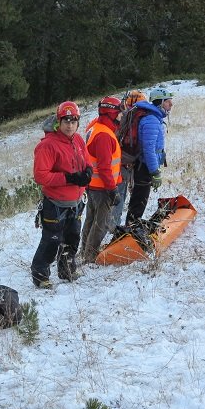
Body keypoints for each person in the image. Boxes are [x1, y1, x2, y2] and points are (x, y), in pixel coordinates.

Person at [30, 101, 91, 288]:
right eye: (66, 120)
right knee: (51, 241)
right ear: (59, 121)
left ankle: (66, 270)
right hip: (55, 204)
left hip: (76, 202)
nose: (70, 125)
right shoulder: (48, 145)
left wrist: (88, 171)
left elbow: (87, 161)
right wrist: (69, 178)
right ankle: (40, 275)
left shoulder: (78, 140)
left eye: (74, 121)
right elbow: (41, 176)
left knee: (72, 239)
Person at [124, 88, 173, 241]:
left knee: (139, 200)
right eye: (168, 101)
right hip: (144, 167)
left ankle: (131, 229)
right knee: (139, 201)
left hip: (144, 166)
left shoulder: (154, 117)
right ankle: (129, 234)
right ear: (160, 102)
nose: (171, 104)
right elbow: (149, 150)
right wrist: (155, 172)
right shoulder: (151, 120)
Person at [79, 96, 123, 263]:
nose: (121, 115)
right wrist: (112, 189)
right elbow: (105, 167)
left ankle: (84, 252)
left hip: (93, 186)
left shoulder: (95, 127)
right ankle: (90, 256)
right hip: (103, 187)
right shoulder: (104, 135)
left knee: (90, 220)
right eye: (119, 112)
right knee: (101, 223)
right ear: (111, 113)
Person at [111, 90, 147, 229]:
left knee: (118, 197)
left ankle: (113, 226)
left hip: (120, 163)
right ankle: (113, 227)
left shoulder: (126, 118)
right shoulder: (136, 118)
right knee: (119, 197)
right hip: (124, 165)